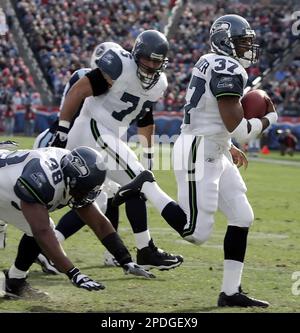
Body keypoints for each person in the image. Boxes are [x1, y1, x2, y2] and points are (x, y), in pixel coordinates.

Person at [113, 15, 278, 307]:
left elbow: (214, 118)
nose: (246, 48)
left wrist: (227, 146)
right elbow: (241, 130)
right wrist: (268, 119)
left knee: (242, 215)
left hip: (214, 147)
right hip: (198, 151)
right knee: (195, 232)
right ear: (224, 42)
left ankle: (229, 293)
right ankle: (146, 185)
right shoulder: (227, 67)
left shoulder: (210, 61)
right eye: (241, 42)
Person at [46, 31, 183, 271]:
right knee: (138, 182)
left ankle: (48, 246)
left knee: (105, 197)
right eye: (147, 60)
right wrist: (62, 129)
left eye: (156, 61)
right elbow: (78, 92)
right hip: (91, 130)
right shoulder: (119, 66)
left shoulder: (159, 84)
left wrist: (148, 154)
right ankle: (161, 240)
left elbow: (145, 120)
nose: (151, 66)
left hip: (111, 137)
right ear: (135, 55)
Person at [0, 145, 154, 299]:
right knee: (42, 229)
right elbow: (42, 232)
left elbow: (99, 223)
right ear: (70, 180)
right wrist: (74, 274)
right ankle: (13, 282)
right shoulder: (42, 180)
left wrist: (125, 260)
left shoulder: (72, 174)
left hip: (7, 191)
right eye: (83, 190)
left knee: (38, 229)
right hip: (5, 188)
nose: (85, 196)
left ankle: (15, 282)